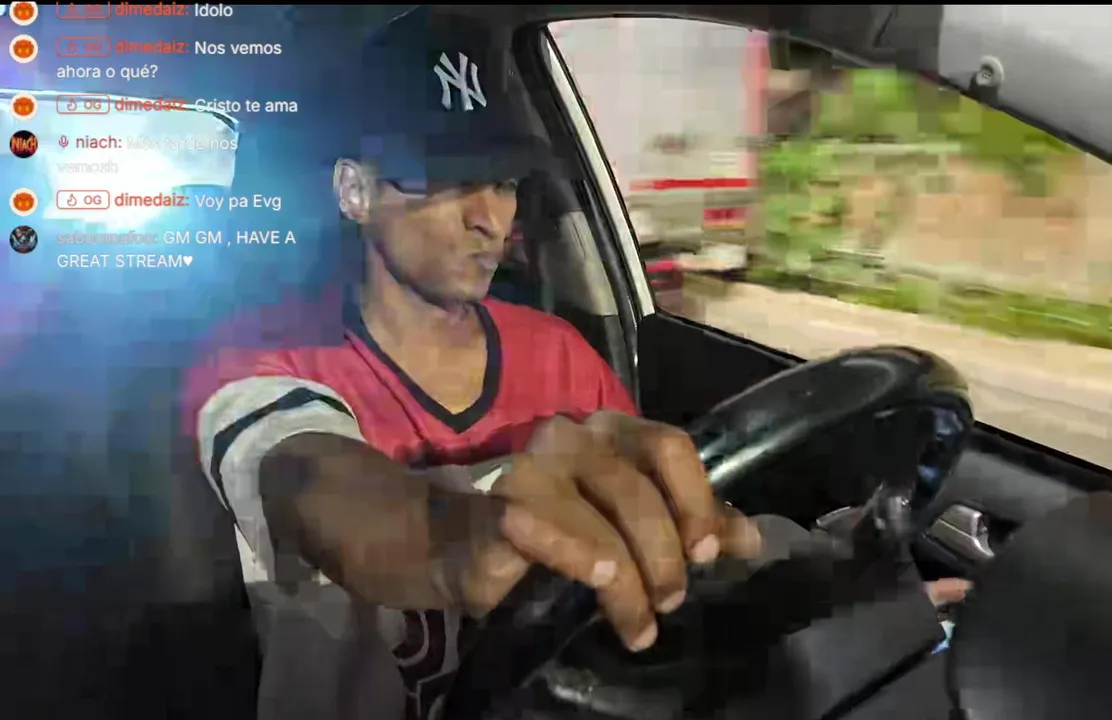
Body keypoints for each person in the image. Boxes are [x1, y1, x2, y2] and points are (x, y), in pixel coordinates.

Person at [182, 8, 967, 720]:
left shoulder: (556, 353)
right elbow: (310, 479)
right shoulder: (259, 358)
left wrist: (841, 598)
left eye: (503, 182)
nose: (491, 218)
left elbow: (671, 539)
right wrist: (462, 536)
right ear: (355, 191)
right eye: (450, 179)